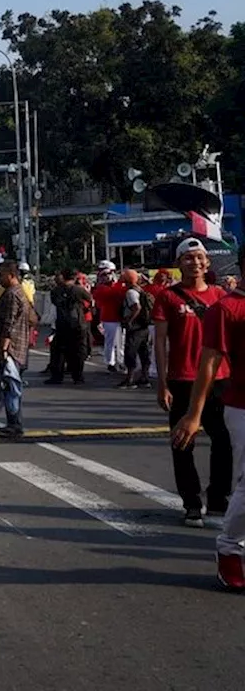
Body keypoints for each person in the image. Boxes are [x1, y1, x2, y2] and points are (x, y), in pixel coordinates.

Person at [171, 242, 245, 589]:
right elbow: (210, 361)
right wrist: (193, 413)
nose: (196, 262)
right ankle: (229, 548)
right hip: (240, 403)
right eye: (190, 257)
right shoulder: (225, 308)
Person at [156, 237, 232, 527]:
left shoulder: (220, 296)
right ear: (178, 264)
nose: (195, 263)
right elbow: (160, 342)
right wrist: (161, 383)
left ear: (208, 263)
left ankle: (217, 499)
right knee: (182, 443)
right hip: (182, 379)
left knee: (223, 441)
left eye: (200, 258)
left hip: (220, 378)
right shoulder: (168, 297)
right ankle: (191, 503)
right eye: (188, 258)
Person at [0, 261, 34, 439]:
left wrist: (4, 348)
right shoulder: (21, 293)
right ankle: (13, 422)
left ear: (11, 275)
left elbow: (8, 324)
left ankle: (14, 424)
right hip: (20, 346)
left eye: (1, 275)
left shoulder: (11, 295)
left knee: (9, 385)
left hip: (11, 349)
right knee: (12, 386)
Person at [48, 269, 91, 384]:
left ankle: (57, 376)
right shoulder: (79, 290)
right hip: (78, 324)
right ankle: (78, 377)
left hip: (62, 324)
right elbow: (90, 300)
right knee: (78, 351)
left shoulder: (56, 290)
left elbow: (54, 302)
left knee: (59, 351)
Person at [117, 269, 153, 389]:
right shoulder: (140, 290)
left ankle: (130, 379)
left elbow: (136, 307)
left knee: (130, 351)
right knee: (143, 352)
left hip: (135, 327)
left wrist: (129, 321)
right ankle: (144, 377)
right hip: (144, 326)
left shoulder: (130, 292)